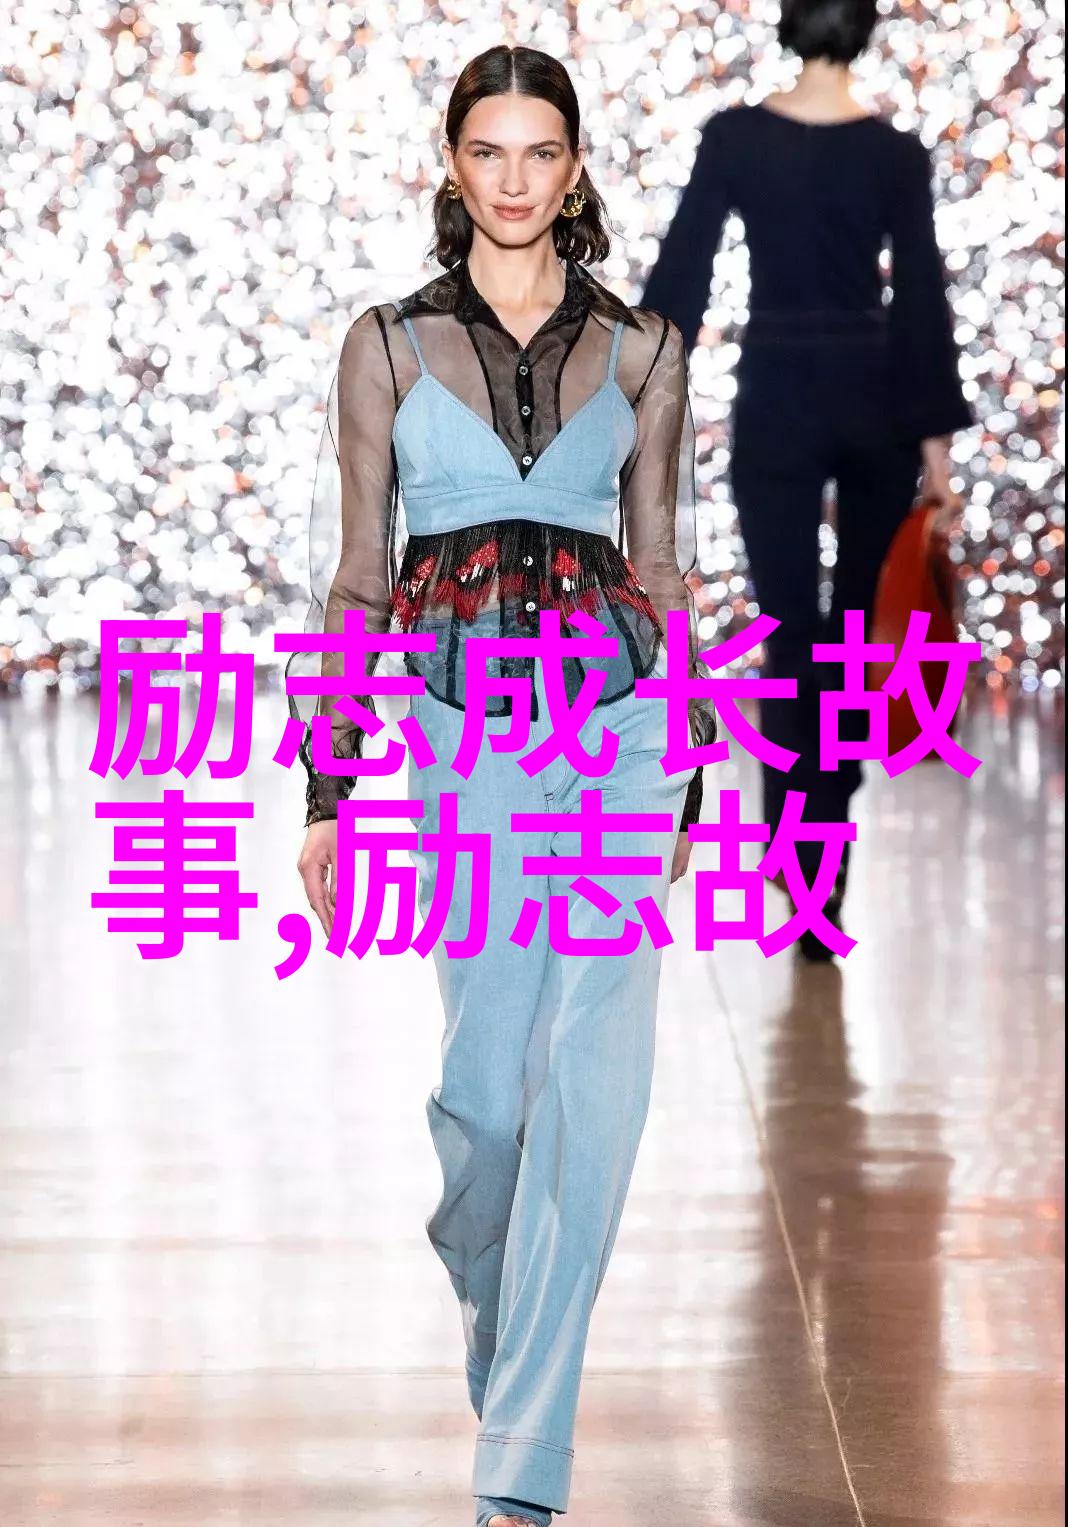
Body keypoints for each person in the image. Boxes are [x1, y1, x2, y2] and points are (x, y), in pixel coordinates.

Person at [287, 44, 716, 1527]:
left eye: (542, 152)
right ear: (453, 163)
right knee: (482, 1101)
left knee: (596, 1080)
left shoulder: (646, 347)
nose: (516, 179)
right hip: (459, 733)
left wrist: (689, 769)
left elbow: (661, 563)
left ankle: (522, 1467)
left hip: (620, 729)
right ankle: (504, 1330)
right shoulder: (388, 347)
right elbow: (360, 576)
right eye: (491, 150)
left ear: (575, 166)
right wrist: (329, 785)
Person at [641, 0, 974, 958]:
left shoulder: (738, 138)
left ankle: (799, 851)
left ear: (789, 23)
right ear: (864, 27)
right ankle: (825, 852)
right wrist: (937, 451)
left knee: (791, 635)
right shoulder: (894, 154)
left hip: (780, 390)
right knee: (856, 640)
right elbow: (921, 295)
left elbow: (685, 271)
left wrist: (638, 396)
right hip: (874, 396)